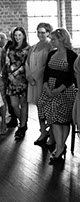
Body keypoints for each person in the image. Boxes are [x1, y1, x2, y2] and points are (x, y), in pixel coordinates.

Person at [37, 28, 77, 164]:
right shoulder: (52, 53)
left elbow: (73, 75)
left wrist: (59, 89)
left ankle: (60, 148)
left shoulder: (71, 55)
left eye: (53, 39)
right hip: (50, 88)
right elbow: (47, 71)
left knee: (63, 120)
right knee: (53, 118)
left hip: (65, 90)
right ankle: (60, 146)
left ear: (61, 39)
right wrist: (46, 85)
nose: (51, 41)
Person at [25, 23, 54, 145]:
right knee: (39, 106)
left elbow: (47, 64)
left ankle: (52, 134)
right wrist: (28, 76)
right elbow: (27, 62)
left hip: (43, 80)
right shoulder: (34, 46)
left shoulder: (51, 45)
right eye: (38, 32)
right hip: (32, 81)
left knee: (48, 107)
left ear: (48, 33)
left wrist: (35, 76)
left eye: (43, 32)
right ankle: (42, 131)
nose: (40, 34)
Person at [6, 26, 30, 140]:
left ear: (24, 35)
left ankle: (22, 126)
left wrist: (15, 76)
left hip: (22, 79)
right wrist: (10, 76)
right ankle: (23, 123)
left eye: (19, 35)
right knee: (14, 105)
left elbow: (25, 64)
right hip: (11, 78)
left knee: (23, 104)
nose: (17, 37)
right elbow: (6, 62)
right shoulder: (10, 48)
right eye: (15, 35)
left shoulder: (28, 49)